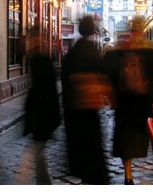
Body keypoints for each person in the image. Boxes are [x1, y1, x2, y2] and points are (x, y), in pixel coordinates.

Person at [103, 15, 153, 185]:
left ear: (130, 29)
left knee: (125, 139)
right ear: (143, 30)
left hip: (124, 103)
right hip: (147, 102)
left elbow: (108, 75)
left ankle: (128, 174)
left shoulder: (117, 49)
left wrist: (112, 96)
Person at [61, 15, 110, 184]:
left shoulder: (72, 53)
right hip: (91, 110)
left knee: (80, 149)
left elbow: (65, 83)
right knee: (93, 148)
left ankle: (84, 176)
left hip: (75, 111)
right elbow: (104, 77)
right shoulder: (95, 52)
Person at [23, 26, 61, 185]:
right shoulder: (39, 58)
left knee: (38, 150)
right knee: (38, 150)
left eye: (31, 38)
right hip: (44, 113)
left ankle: (44, 183)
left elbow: (42, 89)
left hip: (42, 114)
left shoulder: (39, 59)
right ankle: (43, 182)